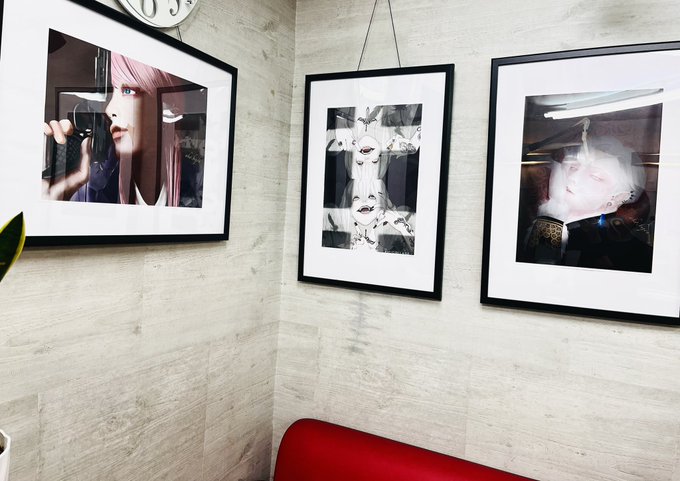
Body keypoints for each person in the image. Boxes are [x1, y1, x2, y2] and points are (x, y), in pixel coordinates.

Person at [43, 51, 191, 206]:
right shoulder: (94, 188)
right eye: (112, 92)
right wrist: (53, 197)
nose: (109, 109)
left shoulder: (197, 183)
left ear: (166, 106)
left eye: (128, 91)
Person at [519, 135, 653, 272]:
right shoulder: (531, 213)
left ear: (617, 198)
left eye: (595, 177)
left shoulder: (599, 240)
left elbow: (543, 273)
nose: (573, 177)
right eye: (573, 166)